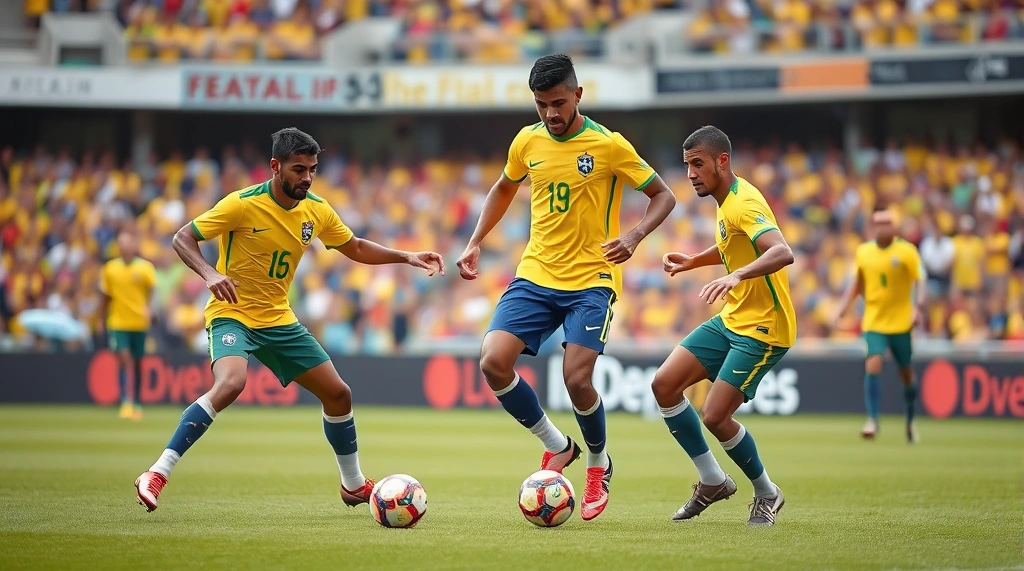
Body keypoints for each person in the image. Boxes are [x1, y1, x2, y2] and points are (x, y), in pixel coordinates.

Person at [134, 128, 445, 512]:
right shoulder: (241, 204)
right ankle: (157, 473)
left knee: (339, 394)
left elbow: (356, 247)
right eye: (299, 169)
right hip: (233, 313)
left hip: (278, 318)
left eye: (312, 169)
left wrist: (407, 256)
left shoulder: (316, 209)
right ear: (275, 166)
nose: (307, 177)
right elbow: (183, 238)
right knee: (231, 382)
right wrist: (209, 274)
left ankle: (352, 485)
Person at [455, 54, 677, 521]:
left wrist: (634, 236)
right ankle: (558, 446)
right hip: (536, 274)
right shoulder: (527, 140)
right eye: (541, 105)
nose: (551, 114)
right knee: (493, 362)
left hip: (591, 280)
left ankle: (598, 462)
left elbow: (664, 194)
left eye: (558, 102)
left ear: (578, 95)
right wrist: (476, 241)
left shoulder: (608, 144)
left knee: (576, 379)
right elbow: (503, 188)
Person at [651, 125, 795, 526]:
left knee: (715, 416)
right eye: (687, 166)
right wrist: (694, 261)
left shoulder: (744, 202)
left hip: (764, 328)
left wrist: (737, 277)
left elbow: (782, 252)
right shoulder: (726, 201)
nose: (691, 173)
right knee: (664, 384)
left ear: (722, 161)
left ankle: (767, 493)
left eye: (697, 164)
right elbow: (734, 243)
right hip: (733, 319)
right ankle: (713, 481)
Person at [833, 206, 925, 442]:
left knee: (906, 374)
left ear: (894, 226)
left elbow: (919, 281)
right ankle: (872, 419)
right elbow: (858, 283)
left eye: (887, 223)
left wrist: (918, 308)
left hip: (902, 322)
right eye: (878, 223)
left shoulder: (906, 251)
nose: (882, 227)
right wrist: (842, 308)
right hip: (874, 321)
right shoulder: (864, 252)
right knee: (873, 363)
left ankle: (910, 420)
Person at [100, 229, 157, 420]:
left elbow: (152, 291)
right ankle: (126, 401)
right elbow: (106, 297)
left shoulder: (145, 268)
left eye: (127, 242)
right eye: (121, 243)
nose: (124, 246)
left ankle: (138, 403)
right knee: (124, 359)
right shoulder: (110, 269)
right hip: (118, 321)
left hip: (139, 322)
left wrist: (149, 309)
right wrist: (101, 319)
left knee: (139, 362)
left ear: (134, 245)